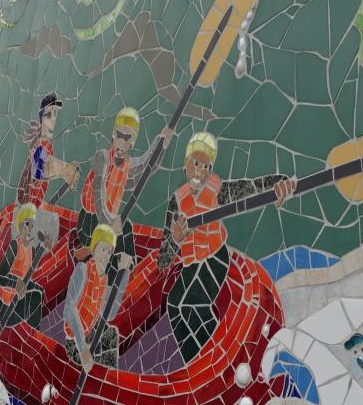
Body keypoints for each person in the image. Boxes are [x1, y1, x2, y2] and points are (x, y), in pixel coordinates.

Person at [164, 132, 295, 360]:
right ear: (185, 165)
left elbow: (251, 187)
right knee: (174, 304)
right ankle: (192, 360)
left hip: (215, 258)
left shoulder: (218, 191)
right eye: (195, 163)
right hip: (191, 263)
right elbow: (163, 260)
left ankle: (216, 356)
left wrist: (279, 182)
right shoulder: (176, 202)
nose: (200, 170)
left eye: (206, 166)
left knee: (194, 304)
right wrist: (175, 240)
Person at [73, 107, 172, 280]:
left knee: (127, 228)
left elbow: (146, 167)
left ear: (132, 142)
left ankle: (128, 270)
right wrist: (110, 222)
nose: (122, 141)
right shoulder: (103, 157)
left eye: (128, 138)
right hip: (90, 221)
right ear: (113, 135)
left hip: (109, 222)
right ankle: (108, 278)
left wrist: (161, 143)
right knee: (112, 240)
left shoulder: (127, 165)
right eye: (120, 135)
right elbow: (98, 199)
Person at [64, 224, 133, 372]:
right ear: (94, 248)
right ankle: (96, 380)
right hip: (75, 341)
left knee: (111, 334)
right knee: (101, 344)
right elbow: (69, 310)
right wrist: (83, 349)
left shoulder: (103, 279)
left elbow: (110, 313)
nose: (106, 255)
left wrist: (123, 274)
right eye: (103, 249)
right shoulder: (82, 270)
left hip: (91, 333)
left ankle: (107, 380)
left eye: (109, 251)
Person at [17, 92, 80, 206]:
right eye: (48, 114)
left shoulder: (46, 144)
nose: (53, 118)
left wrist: (66, 172)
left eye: (55, 113)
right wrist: (65, 170)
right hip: (28, 210)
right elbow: (38, 169)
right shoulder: (42, 144)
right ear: (41, 117)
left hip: (35, 206)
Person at [0, 204, 45, 330]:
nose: (30, 229)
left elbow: (29, 276)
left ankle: (32, 332)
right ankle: (31, 332)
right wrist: (15, 283)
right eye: (27, 224)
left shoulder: (31, 250)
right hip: (6, 305)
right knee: (35, 295)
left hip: (19, 299)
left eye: (32, 225)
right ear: (20, 225)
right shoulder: (14, 246)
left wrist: (43, 245)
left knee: (39, 292)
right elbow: (1, 277)